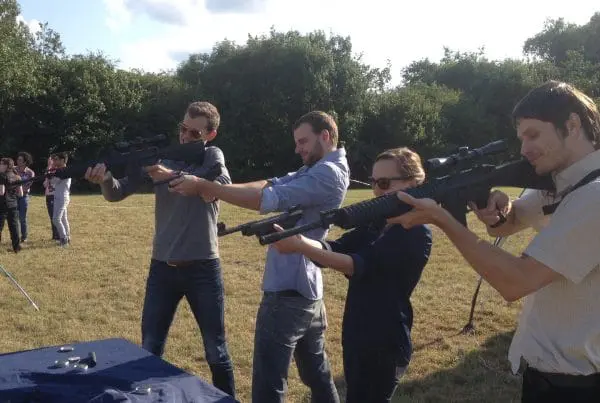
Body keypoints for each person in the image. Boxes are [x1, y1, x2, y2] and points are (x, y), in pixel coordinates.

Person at [393, 80, 600, 402]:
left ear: (572, 125)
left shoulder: (593, 195)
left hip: (580, 385)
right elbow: (505, 225)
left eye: (533, 135)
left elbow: (516, 282)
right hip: (551, 375)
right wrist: (498, 208)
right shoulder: (560, 181)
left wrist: (443, 219)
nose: (524, 149)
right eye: (521, 138)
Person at [169, 110, 349, 403]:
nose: (298, 149)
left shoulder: (327, 173)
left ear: (325, 136)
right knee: (317, 374)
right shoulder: (319, 167)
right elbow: (270, 183)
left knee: (268, 382)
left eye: (303, 141)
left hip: (288, 291)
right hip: (307, 288)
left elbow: (267, 199)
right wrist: (219, 189)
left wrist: (204, 186)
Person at [83, 101, 236, 398]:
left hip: (202, 267)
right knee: (150, 348)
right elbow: (117, 193)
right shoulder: (161, 157)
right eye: (183, 129)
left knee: (216, 351)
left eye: (194, 133)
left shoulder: (211, 155)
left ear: (210, 135)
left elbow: (219, 188)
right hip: (162, 268)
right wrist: (105, 179)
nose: (185, 136)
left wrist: (167, 174)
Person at [269, 147, 433, 403]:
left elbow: (355, 265)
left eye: (384, 183)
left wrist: (300, 245)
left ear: (412, 183)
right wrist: (298, 238)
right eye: (374, 182)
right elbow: (336, 247)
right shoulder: (379, 222)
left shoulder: (416, 233)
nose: (377, 190)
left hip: (386, 342)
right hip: (358, 335)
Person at [0, 157, 23, 253]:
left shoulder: (2, 176)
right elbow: (21, 194)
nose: (0, 166)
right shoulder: (17, 176)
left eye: (1, 164)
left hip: (2, 205)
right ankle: (16, 247)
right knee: (14, 226)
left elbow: (1, 192)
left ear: (6, 165)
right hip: (13, 204)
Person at [49, 152, 71, 246]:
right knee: (63, 219)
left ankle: (64, 239)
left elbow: (53, 181)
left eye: (56, 159)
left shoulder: (64, 171)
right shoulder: (61, 170)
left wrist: (50, 174)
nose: (54, 161)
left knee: (56, 219)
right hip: (60, 196)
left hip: (62, 197)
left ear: (62, 160)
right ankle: (67, 238)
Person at [15, 151, 35, 243]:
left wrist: (16, 188)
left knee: (22, 218)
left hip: (24, 197)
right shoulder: (13, 170)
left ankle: (24, 236)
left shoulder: (30, 173)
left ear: (25, 162)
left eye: (20, 160)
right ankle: (15, 236)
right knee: (14, 218)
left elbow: (26, 186)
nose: (17, 161)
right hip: (13, 197)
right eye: (18, 159)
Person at [43, 155, 60, 241]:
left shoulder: (58, 171)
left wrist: (49, 168)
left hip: (55, 195)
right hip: (48, 196)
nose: (49, 163)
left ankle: (59, 235)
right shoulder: (48, 171)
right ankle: (55, 235)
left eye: (51, 161)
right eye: (49, 161)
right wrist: (48, 171)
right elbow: (45, 184)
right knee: (52, 216)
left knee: (56, 216)